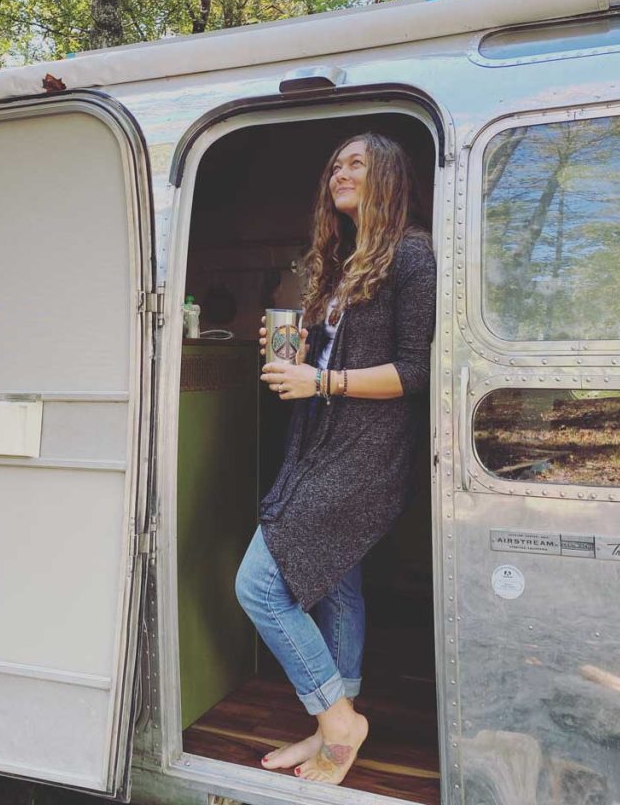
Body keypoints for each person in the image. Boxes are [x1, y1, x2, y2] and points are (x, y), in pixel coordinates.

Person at [234, 131, 437, 786]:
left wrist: (322, 382)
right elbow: (328, 360)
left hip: (367, 454)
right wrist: (293, 355)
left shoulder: (411, 254)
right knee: (335, 582)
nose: (338, 174)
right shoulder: (345, 260)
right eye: (335, 167)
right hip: (318, 443)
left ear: (386, 177)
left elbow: (414, 372)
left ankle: (340, 723)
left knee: (261, 587)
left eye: (355, 164)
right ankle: (332, 725)